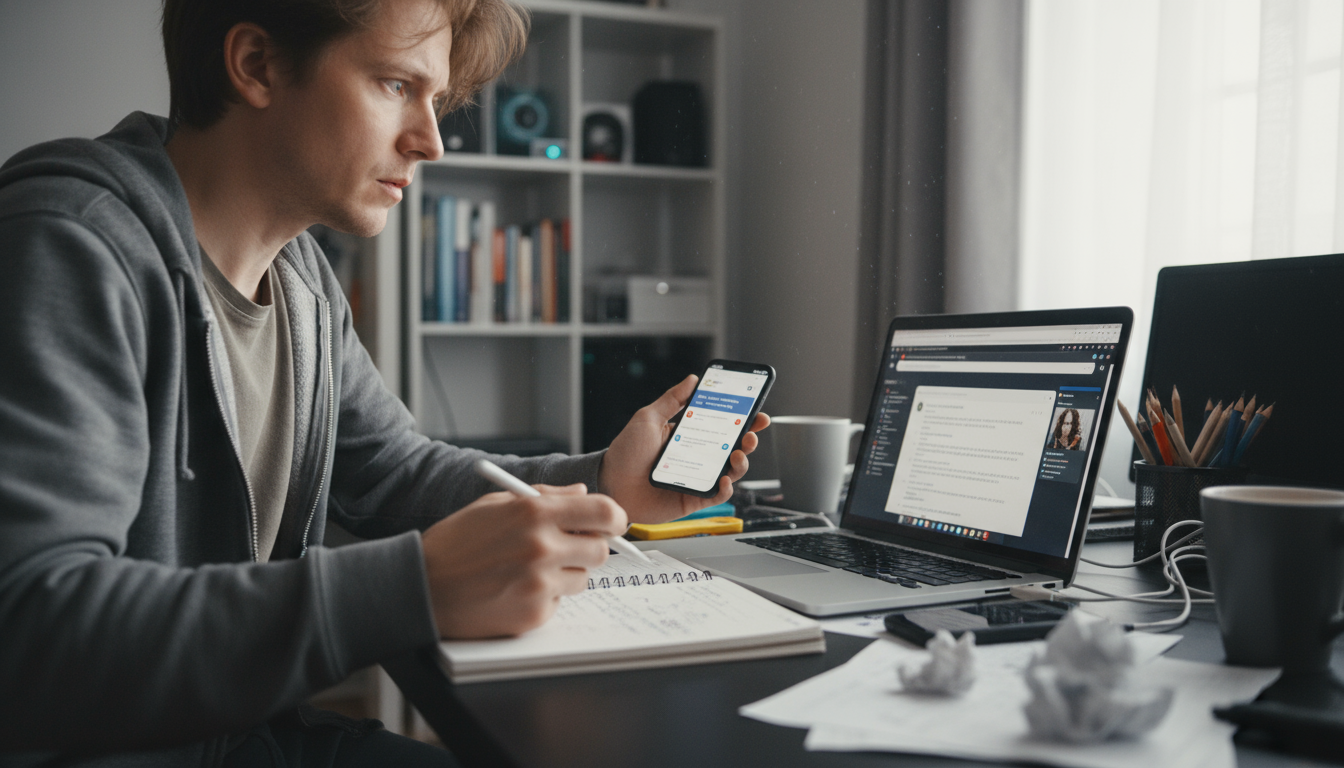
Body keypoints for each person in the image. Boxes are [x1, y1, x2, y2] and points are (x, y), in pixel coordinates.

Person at [0, 0, 766, 765]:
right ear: (256, 64)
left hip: (240, 737)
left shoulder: (301, 279)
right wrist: (413, 588)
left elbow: (397, 471)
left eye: (435, 100)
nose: (430, 140)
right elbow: (32, 634)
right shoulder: (72, 246)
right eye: (397, 85)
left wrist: (603, 483)